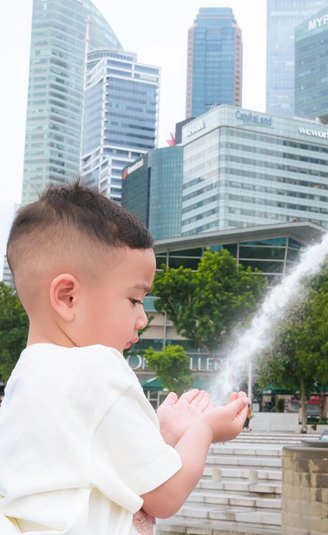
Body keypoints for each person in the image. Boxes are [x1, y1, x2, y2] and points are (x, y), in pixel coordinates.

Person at [0, 182, 249, 535]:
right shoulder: (98, 369)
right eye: (135, 300)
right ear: (68, 298)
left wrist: (163, 433)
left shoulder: (22, 383)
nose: (143, 318)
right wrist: (205, 430)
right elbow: (165, 495)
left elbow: (105, 474)